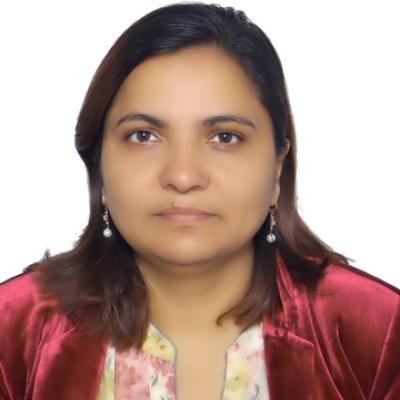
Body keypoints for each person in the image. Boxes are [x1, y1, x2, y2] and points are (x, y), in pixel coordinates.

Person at [0, 2, 399, 399]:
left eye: (225, 137)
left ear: (278, 166)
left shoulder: (378, 333)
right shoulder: (13, 332)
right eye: (143, 136)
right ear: (99, 163)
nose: (183, 176)